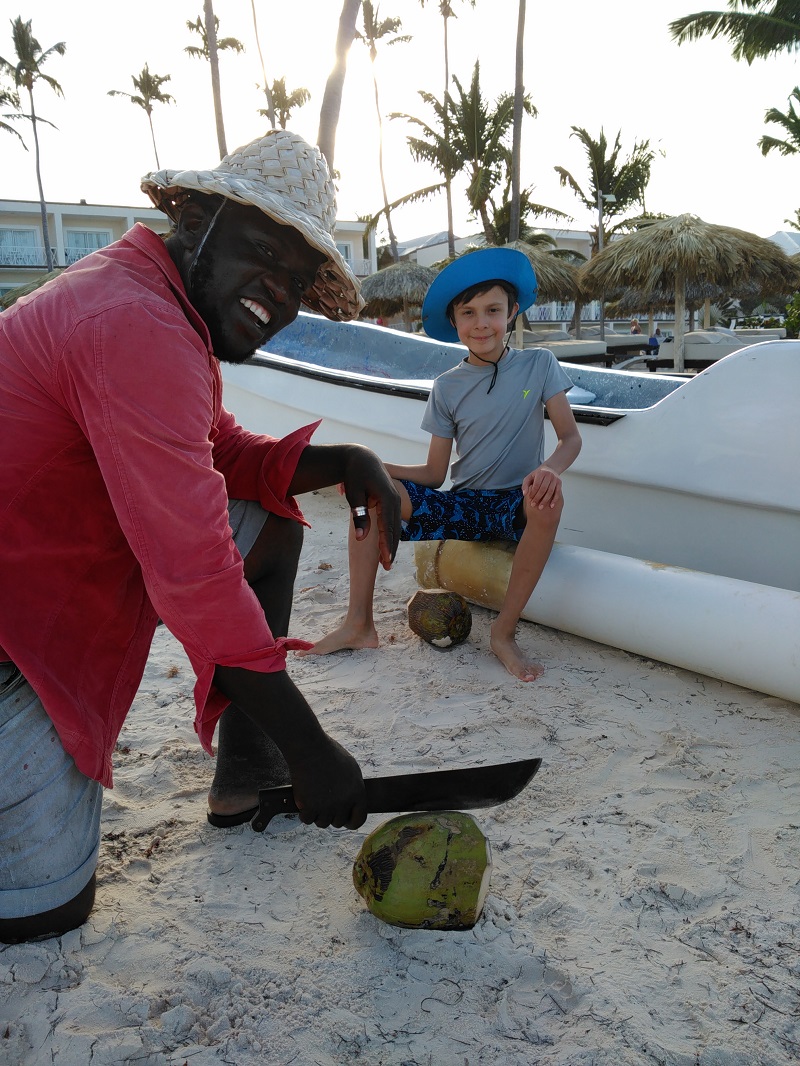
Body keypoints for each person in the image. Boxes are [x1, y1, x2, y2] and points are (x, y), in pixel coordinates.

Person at [0, 130, 402, 944]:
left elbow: (217, 453)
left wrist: (348, 459)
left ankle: (249, 780)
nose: (280, 295)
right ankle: (273, 759)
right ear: (197, 219)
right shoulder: (134, 321)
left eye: (297, 280)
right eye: (264, 251)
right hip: (19, 639)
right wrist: (313, 749)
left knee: (269, 522)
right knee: (42, 916)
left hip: (43, 599)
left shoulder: (150, 298)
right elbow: (195, 578)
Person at [299, 248, 582, 682]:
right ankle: (359, 623)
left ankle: (503, 634)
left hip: (515, 505)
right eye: (468, 313)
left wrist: (551, 469)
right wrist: (373, 468)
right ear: (455, 323)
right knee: (370, 492)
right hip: (464, 506)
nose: (481, 323)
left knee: (549, 500)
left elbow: (570, 437)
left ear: (513, 312)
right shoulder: (446, 387)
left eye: (493, 310)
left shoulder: (538, 365)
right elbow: (434, 474)